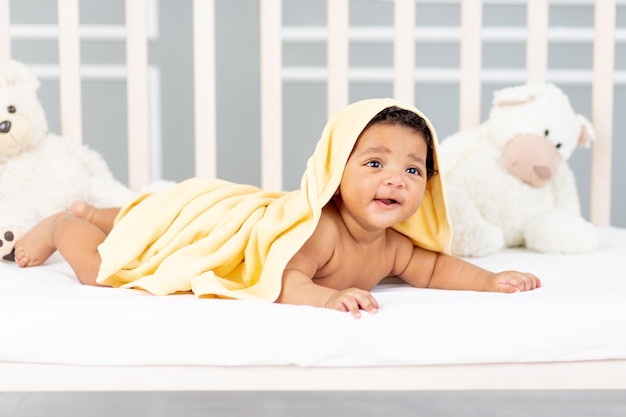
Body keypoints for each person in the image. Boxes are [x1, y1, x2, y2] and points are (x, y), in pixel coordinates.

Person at [14, 99, 540, 319]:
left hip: (227, 206)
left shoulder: (395, 247)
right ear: (335, 171)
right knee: (112, 263)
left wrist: (489, 281)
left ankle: (99, 211)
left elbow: (435, 268)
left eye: (412, 169)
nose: (394, 180)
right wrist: (326, 299)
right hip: (219, 219)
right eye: (375, 162)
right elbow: (284, 282)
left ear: (428, 184)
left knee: (145, 214)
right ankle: (66, 222)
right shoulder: (320, 234)